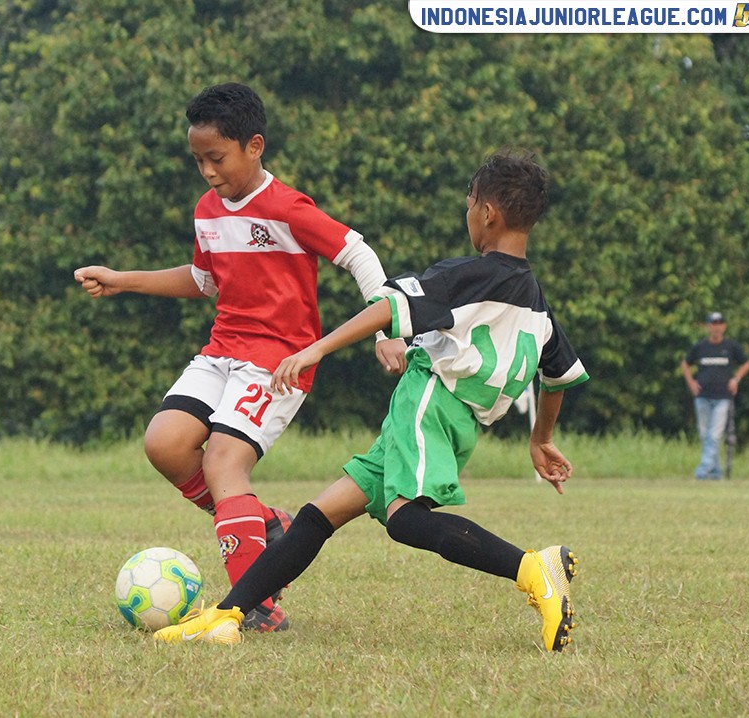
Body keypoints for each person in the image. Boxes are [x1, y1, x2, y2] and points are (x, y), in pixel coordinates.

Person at [154, 150, 589, 652]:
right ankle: (227, 613)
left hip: (429, 403)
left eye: (469, 204)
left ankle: (535, 569)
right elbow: (559, 374)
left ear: (487, 212)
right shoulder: (535, 300)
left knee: (407, 519)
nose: (468, 214)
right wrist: (541, 438)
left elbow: (387, 306)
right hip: (458, 422)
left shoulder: (466, 275)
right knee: (321, 515)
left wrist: (315, 347)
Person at [75, 83, 405, 632]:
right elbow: (204, 281)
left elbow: (359, 254)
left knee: (224, 462)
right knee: (165, 443)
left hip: (278, 361)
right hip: (222, 351)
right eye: (198, 159)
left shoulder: (287, 208)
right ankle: (265, 529)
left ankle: (255, 604)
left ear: (254, 146)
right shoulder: (207, 210)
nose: (207, 171)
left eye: (216, 158)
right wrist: (123, 280)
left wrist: (382, 328)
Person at [680, 312, 749, 480]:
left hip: (723, 398)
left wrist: (736, 379)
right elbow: (685, 363)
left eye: (719, 323)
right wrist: (691, 382)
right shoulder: (700, 347)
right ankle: (715, 471)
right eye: (713, 324)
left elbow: (746, 363)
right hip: (702, 396)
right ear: (708, 326)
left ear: (724, 326)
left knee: (715, 434)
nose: (716, 327)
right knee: (705, 434)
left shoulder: (731, 347)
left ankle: (703, 469)